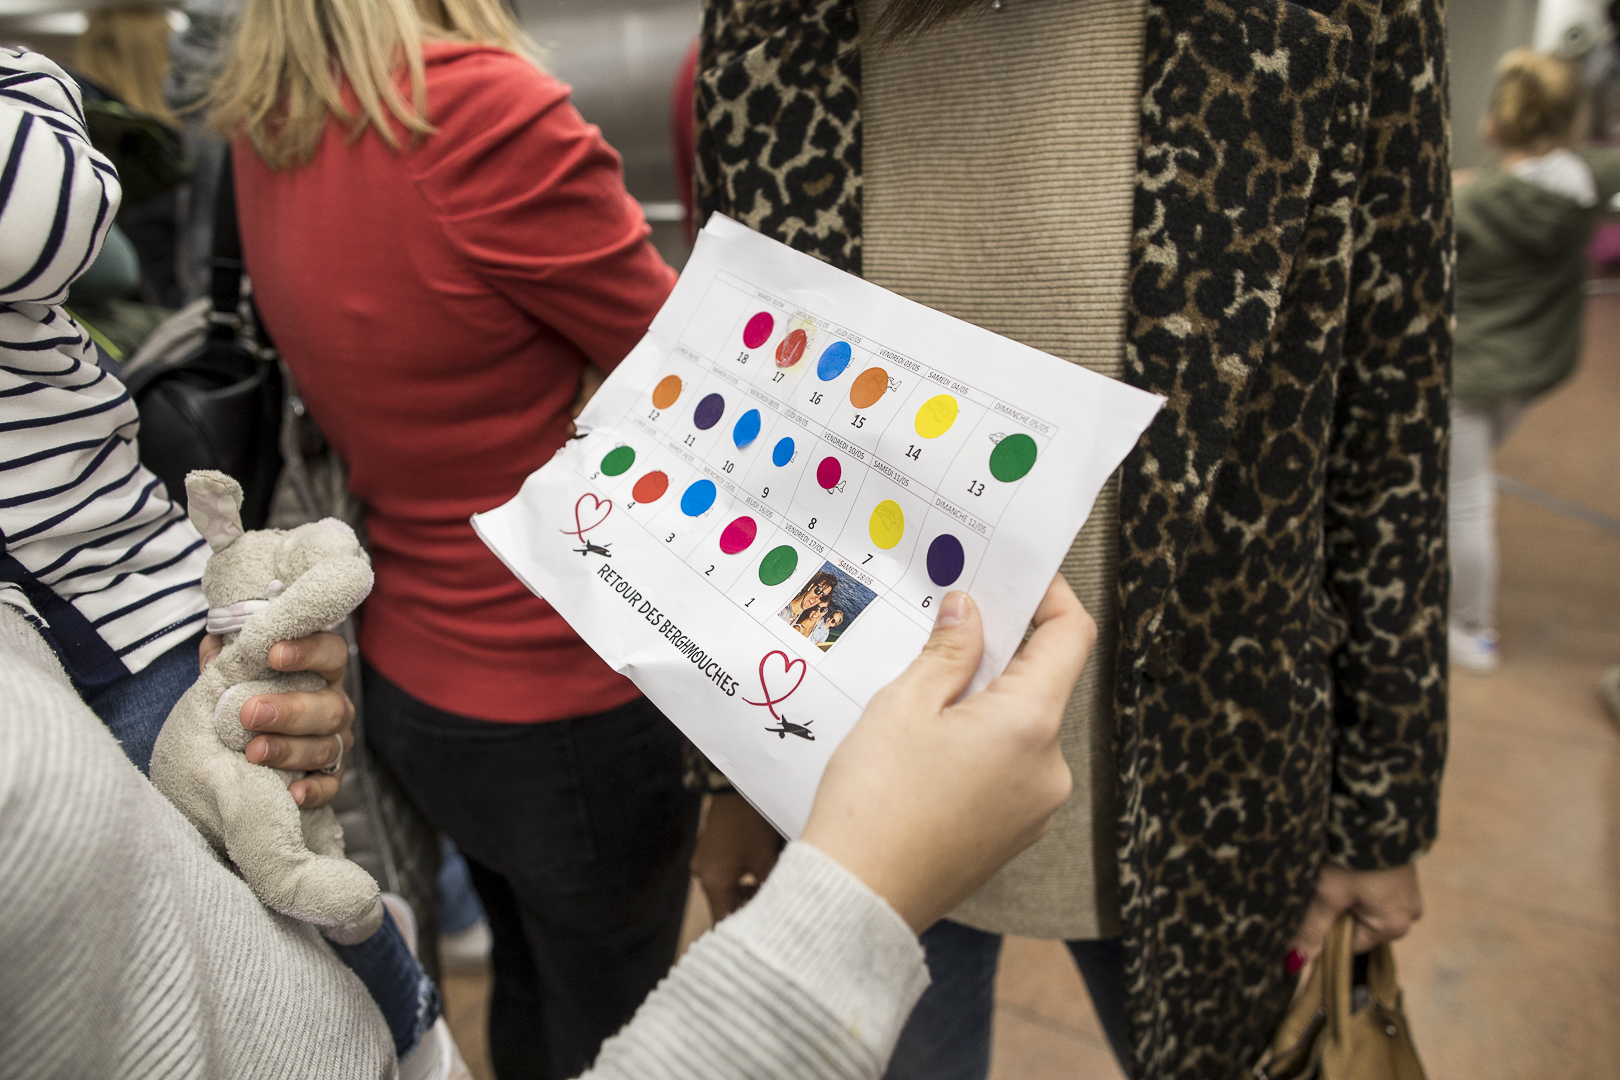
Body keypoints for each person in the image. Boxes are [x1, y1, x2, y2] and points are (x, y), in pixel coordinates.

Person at [692, 0, 1451, 1076]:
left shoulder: (1332, 18)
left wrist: (1383, 812)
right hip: (852, 764)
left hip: (1218, 782)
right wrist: (728, 772)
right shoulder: (775, 21)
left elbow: (1394, 417)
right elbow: (740, 411)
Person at [2, 574, 1091, 1080]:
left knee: (530, 971)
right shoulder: (508, 165)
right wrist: (862, 888)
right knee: (604, 982)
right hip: (559, 713)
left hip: (429, 693)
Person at [207, 2, 704, 1075]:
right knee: (624, 1028)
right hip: (571, 685)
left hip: (419, 682)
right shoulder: (477, 111)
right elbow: (696, 373)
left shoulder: (271, 122)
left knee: (529, 984)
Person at [0, 44, 448, 1073]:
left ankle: (406, 1018)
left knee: (265, 859)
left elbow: (52, 226)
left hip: (123, 609)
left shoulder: (22, 89)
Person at [1449, 50, 1620, 672]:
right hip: (1536, 366)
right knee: (1468, 479)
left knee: (1464, 499)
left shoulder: (1470, 203)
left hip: (1470, 372)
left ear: (1495, 123)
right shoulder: (1593, 179)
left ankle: (1470, 629)